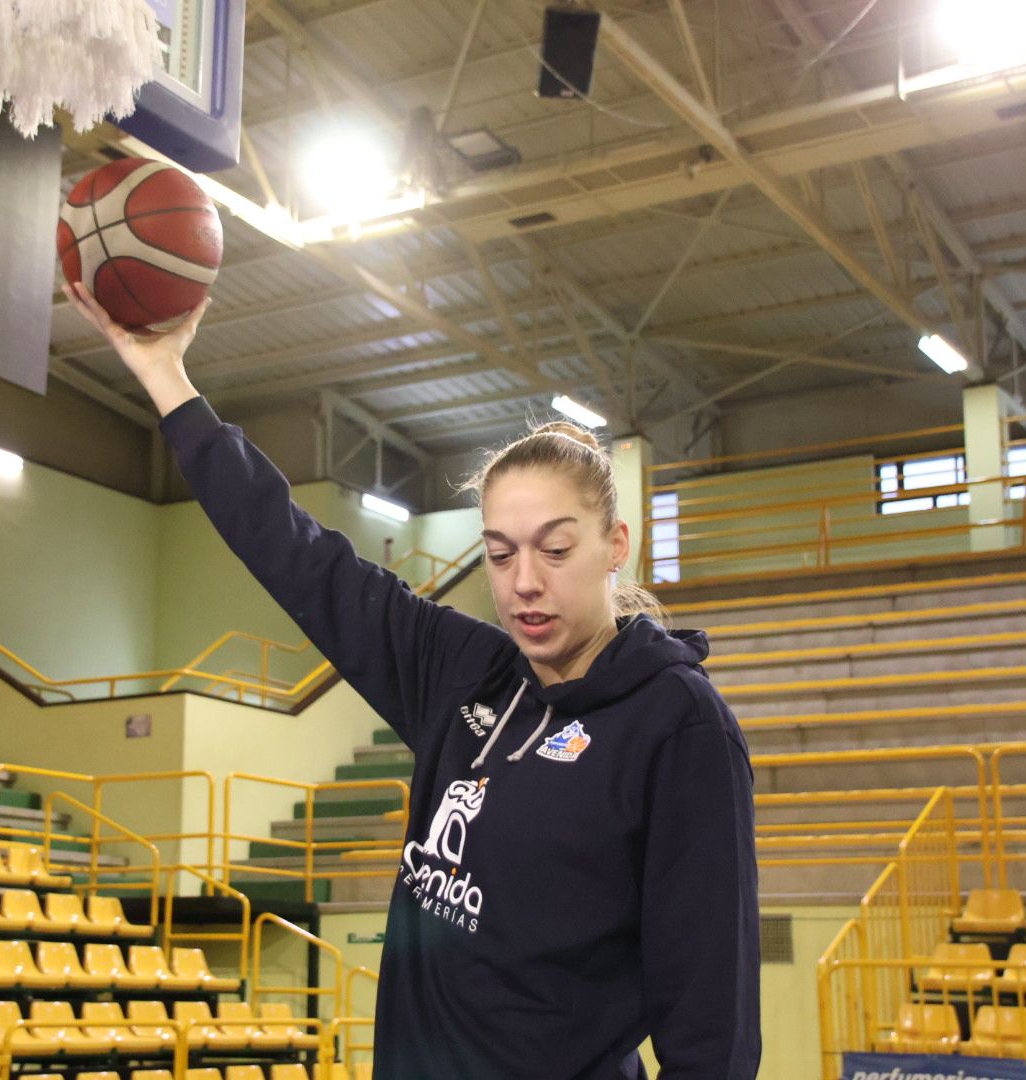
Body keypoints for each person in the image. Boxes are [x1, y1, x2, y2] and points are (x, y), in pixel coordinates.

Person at [64, 284, 761, 1079]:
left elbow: (714, 1033)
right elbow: (300, 557)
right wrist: (167, 382)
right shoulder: (463, 674)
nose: (523, 581)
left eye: (555, 550)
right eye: (500, 554)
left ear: (616, 546)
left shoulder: (679, 726)